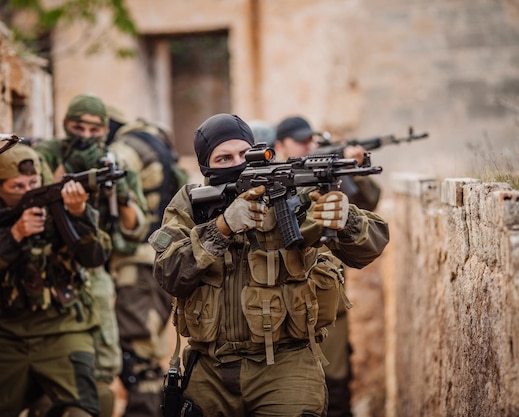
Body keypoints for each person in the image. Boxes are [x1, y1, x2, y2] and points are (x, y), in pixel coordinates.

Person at [149, 113, 390, 416]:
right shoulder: (189, 204)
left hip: (285, 366)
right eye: (225, 158)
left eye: (245, 153)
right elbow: (167, 273)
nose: (238, 162)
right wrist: (221, 227)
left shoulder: (291, 194)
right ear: (206, 166)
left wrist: (346, 220)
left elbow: (374, 243)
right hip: (211, 368)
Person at [35, 94, 150, 417]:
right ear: (65, 124)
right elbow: (36, 201)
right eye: (78, 127)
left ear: (104, 130)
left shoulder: (116, 162)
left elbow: (135, 229)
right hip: (46, 267)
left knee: (104, 361)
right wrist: (67, 173)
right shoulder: (47, 154)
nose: (86, 135)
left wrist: (122, 195)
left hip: (96, 268)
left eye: (94, 129)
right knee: (47, 359)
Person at [0, 144, 111, 417]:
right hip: (8, 332)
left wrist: (77, 213)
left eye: (33, 183)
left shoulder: (60, 200)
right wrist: (14, 234)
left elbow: (96, 256)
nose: (27, 191)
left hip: (64, 328)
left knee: (82, 411)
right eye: (17, 187)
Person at [275, 115, 382, 417]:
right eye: (300, 140)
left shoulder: (327, 174)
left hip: (327, 305)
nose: (308, 145)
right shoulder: (272, 182)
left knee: (334, 390)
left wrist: (354, 171)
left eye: (311, 139)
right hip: (283, 308)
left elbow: (368, 206)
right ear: (280, 145)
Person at [105, 113, 188, 417]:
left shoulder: (127, 148)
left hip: (135, 268)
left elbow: (115, 178)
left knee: (138, 359)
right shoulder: (161, 149)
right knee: (151, 356)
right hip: (160, 262)